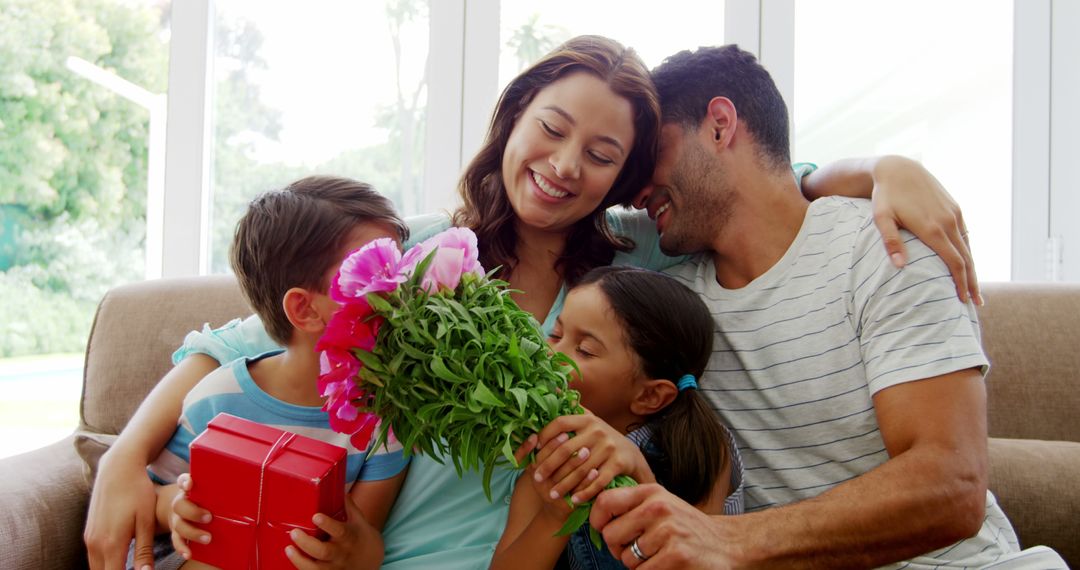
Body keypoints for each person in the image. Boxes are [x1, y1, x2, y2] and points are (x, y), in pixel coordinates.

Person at [85, 35, 979, 570]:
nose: (564, 166)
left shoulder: (643, 264)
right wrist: (126, 459)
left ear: (625, 180)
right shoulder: (420, 252)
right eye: (551, 130)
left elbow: (762, 199)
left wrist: (873, 170)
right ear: (514, 117)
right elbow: (253, 334)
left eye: (602, 154)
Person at [588, 45, 1066, 569]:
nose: (634, 194)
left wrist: (727, 540)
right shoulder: (669, 302)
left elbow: (952, 484)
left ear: (720, 125)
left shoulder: (884, 245)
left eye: (652, 151)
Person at [142, 176, 411, 569]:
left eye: (400, 268)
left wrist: (355, 553)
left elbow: (365, 543)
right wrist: (174, 507)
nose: (401, 291)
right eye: (374, 277)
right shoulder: (217, 398)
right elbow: (150, 502)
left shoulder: (383, 425)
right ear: (304, 309)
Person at [492, 266, 738, 570]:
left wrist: (639, 475)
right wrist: (555, 513)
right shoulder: (551, 456)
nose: (550, 355)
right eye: (555, 334)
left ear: (650, 396)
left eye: (584, 350)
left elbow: (694, 557)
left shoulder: (702, 448)